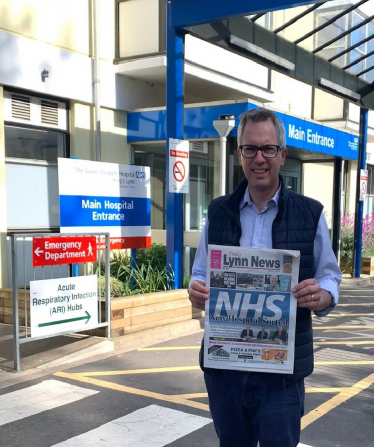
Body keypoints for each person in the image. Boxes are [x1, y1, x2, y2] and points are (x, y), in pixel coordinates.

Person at [188, 107, 341, 447]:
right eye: (250, 149)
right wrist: (195, 289)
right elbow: (200, 271)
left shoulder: (311, 213)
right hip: (225, 369)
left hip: (280, 379)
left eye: (268, 148)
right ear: (239, 154)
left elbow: (330, 278)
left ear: (282, 155)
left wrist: (323, 296)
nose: (259, 158)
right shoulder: (218, 211)